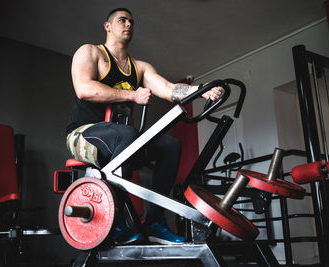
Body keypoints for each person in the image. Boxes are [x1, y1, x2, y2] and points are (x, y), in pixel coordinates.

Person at [66, 7, 224, 245]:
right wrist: (132, 96)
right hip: (82, 135)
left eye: (131, 21)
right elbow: (84, 89)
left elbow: (169, 89)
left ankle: (155, 222)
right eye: (122, 20)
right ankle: (115, 222)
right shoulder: (90, 52)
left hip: (124, 142)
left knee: (170, 145)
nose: (128, 24)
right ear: (108, 26)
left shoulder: (139, 67)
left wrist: (201, 90)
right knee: (128, 134)